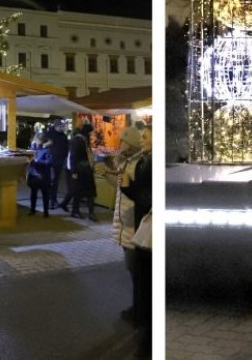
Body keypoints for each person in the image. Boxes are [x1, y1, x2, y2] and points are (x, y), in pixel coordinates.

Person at [120, 128, 152, 356]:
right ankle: (143, 326)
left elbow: (147, 197)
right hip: (140, 226)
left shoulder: (148, 163)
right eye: (141, 137)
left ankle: (147, 340)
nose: (143, 141)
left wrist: (126, 186)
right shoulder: (144, 160)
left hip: (145, 229)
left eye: (146, 137)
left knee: (143, 279)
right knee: (140, 278)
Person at [111, 127, 144, 321]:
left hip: (133, 223)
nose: (120, 144)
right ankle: (137, 307)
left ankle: (140, 310)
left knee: (136, 271)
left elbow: (133, 192)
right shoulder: (125, 162)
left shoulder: (138, 164)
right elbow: (118, 187)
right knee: (133, 270)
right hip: (125, 222)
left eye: (123, 141)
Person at [59, 123, 96, 219]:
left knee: (86, 191)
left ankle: (90, 213)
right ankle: (75, 211)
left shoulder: (83, 140)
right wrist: (74, 172)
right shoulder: (77, 140)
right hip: (78, 169)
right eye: (91, 133)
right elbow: (73, 157)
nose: (92, 135)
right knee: (77, 191)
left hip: (84, 169)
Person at [42, 119, 70, 207]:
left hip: (60, 160)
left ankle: (53, 199)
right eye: (62, 126)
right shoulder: (49, 134)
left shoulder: (63, 135)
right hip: (51, 160)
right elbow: (41, 144)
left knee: (56, 181)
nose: (63, 128)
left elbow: (66, 146)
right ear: (57, 126)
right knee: (52, 180)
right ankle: (50, 200)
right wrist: (47, 145)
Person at [26, 141, 53, 217]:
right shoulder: (32, 150)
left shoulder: (46, 150)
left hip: (43, 176)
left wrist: (37, 161)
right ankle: (32, 209)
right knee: (33, 193)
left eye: (37, 142)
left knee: (45, 194)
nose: (35, 144)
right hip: (34, 175)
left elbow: (49, 162)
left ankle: (46, 212)